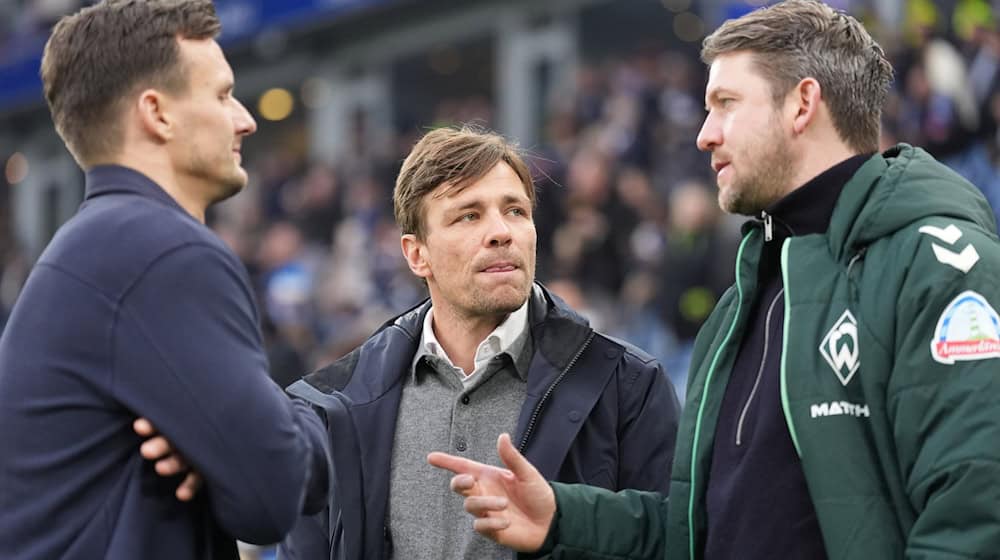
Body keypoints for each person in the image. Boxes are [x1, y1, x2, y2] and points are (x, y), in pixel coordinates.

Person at [429, 1, 1000, 558]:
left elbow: (976, 511)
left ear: (802, 104)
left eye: (725, 104)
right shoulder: (738, 308)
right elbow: (706, 528)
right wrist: (563, 517)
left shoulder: (938, 268)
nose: (705, 134)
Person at [0, 1, 331, 558]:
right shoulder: (163, 250)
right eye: (223, 95)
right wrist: (273, 432)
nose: (245, 119)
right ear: (157, 113)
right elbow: (271, 497)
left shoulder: (97, 246)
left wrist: (229, 445)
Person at [277, 125, 681, 559]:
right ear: (417, 255)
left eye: (515, 212)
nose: (501, 232)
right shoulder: (332, 408)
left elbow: (678, 539)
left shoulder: (628, 386)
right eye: (469, 215)